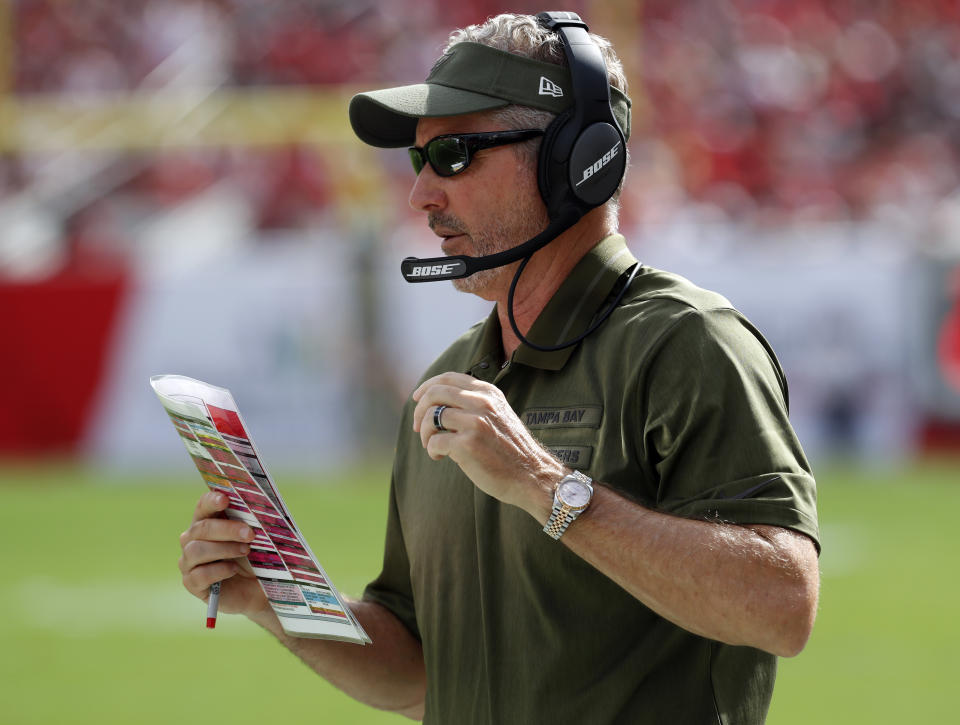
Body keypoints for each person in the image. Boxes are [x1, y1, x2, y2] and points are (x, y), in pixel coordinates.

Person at [178, 12, 820, 724]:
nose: (422, 194)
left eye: (454, 155)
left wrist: (547, 488)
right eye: (418, 162)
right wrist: (278, 598)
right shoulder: (449, 380)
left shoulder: (689, 343)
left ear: (575, 158)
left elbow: (783, 605)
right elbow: (420, 671)